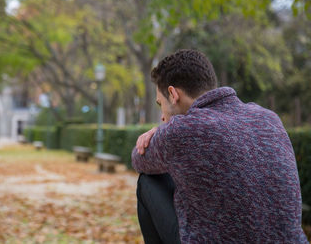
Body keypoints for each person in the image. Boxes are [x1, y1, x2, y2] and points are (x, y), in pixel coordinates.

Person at [131, 49, 308, 244]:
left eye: (160, 104)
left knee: (148, 181)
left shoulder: (182, 128)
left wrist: (159, 132)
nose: (163, 116)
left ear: (173, 94)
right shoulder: (269, 118)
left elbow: (139, 158)